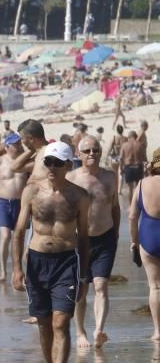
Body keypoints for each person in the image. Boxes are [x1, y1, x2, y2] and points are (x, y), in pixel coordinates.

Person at [11, 142, 89, 363]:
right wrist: (16, 269)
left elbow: (85, 236)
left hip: (67, 262)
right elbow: (20, 231)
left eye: (58, 163)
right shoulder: (32, 192)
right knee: (44, 324)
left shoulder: (79, 196)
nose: (52, 168)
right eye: (48, 162)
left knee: (61, 321)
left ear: (68, 165)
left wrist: (85, 275)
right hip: (37, 262)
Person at [67, 136, 120, 349]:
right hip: (80, 240)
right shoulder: (71, 178)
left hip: (105, 237)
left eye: (96, 150)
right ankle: (80, 332)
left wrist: (116, 233)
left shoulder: (110, 177)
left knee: (101, 285)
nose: (92, 154)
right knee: (82, 287)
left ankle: (99, 329)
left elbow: (115, 207)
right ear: (78, 154)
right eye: (87, 150)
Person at [0, 133, 29, 282]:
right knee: (6, 237)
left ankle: (17, 270)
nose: (18, 146)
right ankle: (3, 271)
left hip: (21, 204)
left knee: (19, 238)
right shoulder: (0, 162)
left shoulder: (26, 162)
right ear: (7, 147)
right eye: (14, 144)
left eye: (19, 143)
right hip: (4, 203)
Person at [130, 149, 160, 342]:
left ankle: (158, 331)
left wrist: (134, 242)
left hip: (149, 236)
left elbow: (132, 216)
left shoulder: (142, 184)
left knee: (155, 287)